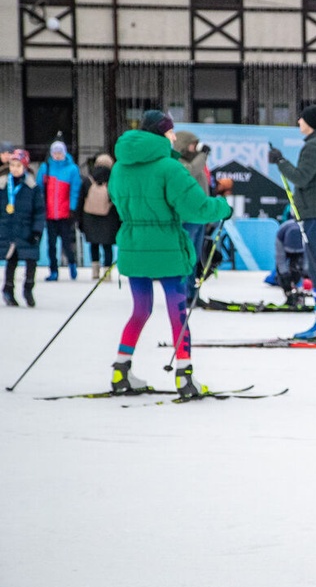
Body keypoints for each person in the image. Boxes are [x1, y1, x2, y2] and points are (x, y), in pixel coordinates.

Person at [108, 110, 233, 397]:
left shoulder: (120, 167)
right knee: (178, 313)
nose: (174, 137)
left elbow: (117, 200)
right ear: (161, 134)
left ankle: (120, 370)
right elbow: (196, 208)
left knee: (140, 310)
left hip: (134, 245)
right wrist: (223, 208)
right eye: (171, 131)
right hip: (167, 248)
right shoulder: (169, 168)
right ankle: (184, 378)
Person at [268, 105, 316, 341]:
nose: (298, 121)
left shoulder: (315, 145)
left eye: (301, 118)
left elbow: (301, 177)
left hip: (315, 213)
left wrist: (280, 161)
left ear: (310, 122)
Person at [0, 150, 45, 307]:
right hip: (8, 231)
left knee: (30, 262)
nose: (14, 168)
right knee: (11, 261)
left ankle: (28, 289)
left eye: (18, 165)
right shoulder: (3, 185)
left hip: (26, 231)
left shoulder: (32, 187)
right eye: (12, 165)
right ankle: (8, 289)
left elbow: (39, 211)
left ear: (25, 166)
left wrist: (37, 231)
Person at [40, 140, 83, 281]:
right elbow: (39, 188)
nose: (57, 155)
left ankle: (71, 263)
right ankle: (53, 270)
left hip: (65, 213)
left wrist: (72, 207)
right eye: (55, 153)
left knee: (66, 242)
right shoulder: (45, 168)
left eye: (60, 152)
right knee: (51, 244)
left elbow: (75, 189)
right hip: (50, 213)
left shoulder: (72, 169)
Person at [173, 130, 212, 281]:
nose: (196, 148)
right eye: (193, 145)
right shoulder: (178, 163)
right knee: (187, 256)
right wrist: (203, 155)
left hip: (199, 215)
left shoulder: (195, 162)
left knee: (195, 256)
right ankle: (182, 293)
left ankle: (190, 292)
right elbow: (189, 172)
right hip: (187, 217)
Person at [77, 153, 121, 281]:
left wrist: (79, 220)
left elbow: (80, 201)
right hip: (109, 218)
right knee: (107, 246)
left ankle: (95, 272)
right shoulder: (114, 181)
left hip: (90, 218)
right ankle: (107, 274)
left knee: (94, 244)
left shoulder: (87, 180)